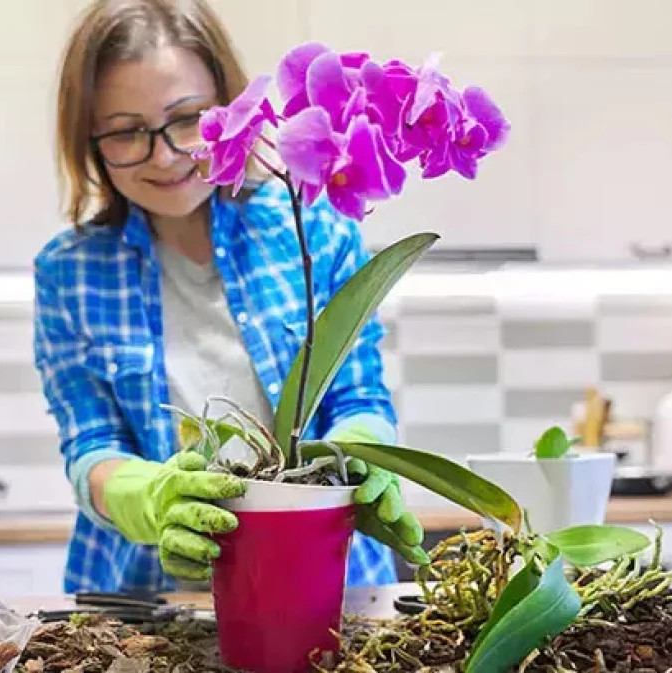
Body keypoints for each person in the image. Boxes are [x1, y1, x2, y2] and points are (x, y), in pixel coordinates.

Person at [34, 0, 426, 594]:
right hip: (147, 606)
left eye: (187, 118)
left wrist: (363, 452)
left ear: (231, 106)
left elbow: (357, 393)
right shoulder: (70, 273)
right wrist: (149, 498)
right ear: (89, 139)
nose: (164, 156)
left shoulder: (314, 230)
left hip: (327, 585)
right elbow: (92, 446)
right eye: (125, 131)